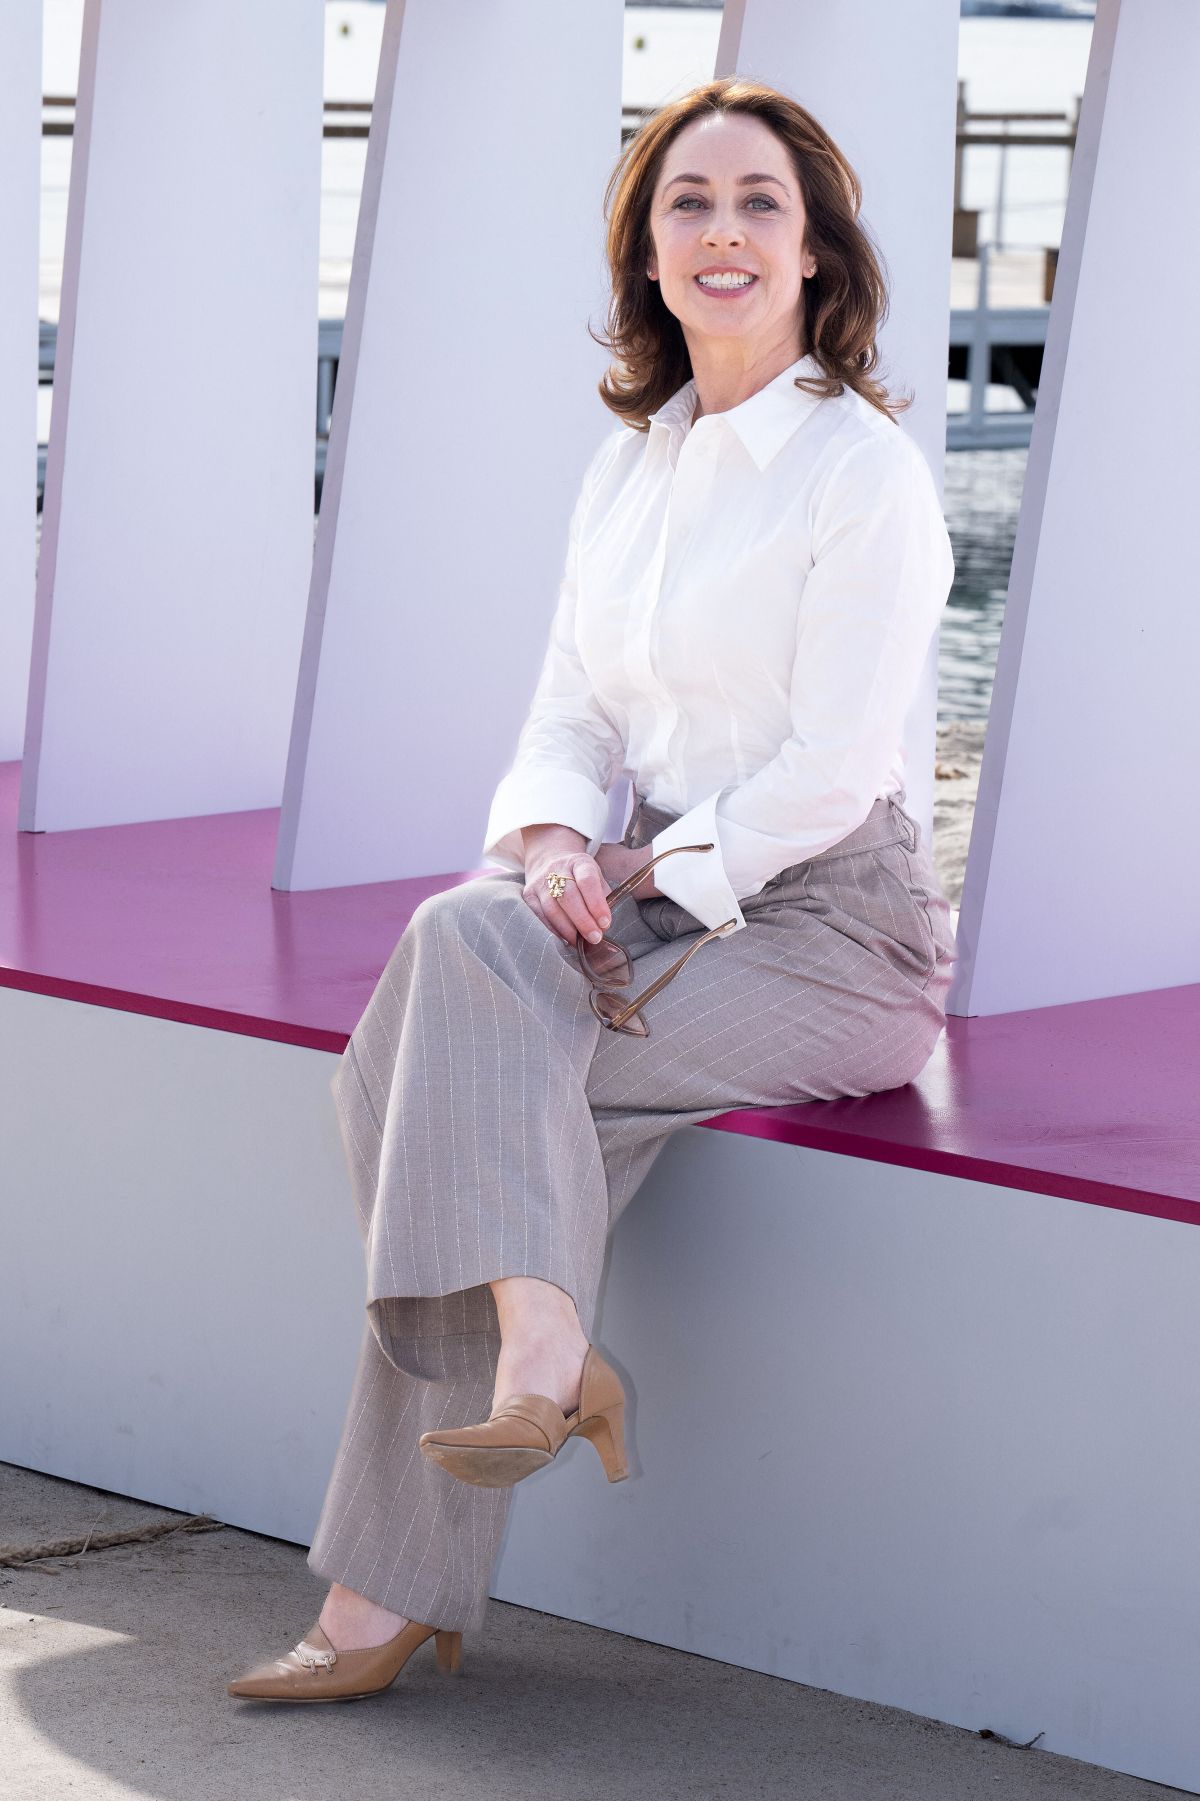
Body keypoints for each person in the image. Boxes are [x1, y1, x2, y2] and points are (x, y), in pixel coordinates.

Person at [228, 74, 958, 1704]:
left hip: (834, 922)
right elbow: (568, 711)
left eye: (759, 203)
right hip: (657, 885)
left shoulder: (863, 473)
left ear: (819, 253)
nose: (721, 231)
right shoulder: (631, 464)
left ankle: (386, 1590)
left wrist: (645, 867)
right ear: (645, 250)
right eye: (686, 203)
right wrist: (557, 840)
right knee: (477, 987)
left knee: (450, 1088)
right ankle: (545, 1348)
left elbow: (838, 769)